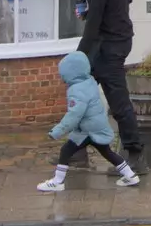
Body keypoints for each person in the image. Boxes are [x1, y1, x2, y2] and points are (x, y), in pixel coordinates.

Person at [69, 0, 147, 174]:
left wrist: (80, 54)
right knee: (82, 92)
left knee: (118, 101)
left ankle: (135, 155)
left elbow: (95, 22)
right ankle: (77, 150)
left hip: (108, 46)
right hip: (118, 40)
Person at [38, 50, 140, 192]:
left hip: (87, 129)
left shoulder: (76, 90)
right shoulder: (89, 81)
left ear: (71, 73)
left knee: (66, 150)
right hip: (96, 125)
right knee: (107, 152)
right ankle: (130, 175)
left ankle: (57, 181)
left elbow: (74, 115)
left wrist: (57, 131)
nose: (61, 76)